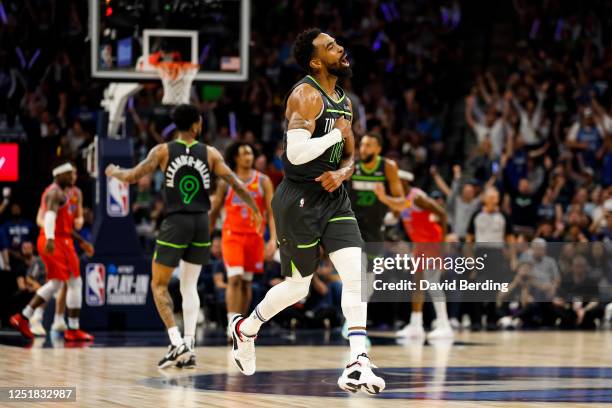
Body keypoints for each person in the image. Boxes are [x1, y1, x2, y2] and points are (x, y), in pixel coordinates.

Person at [228, 28, 385, 394]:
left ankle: (357, 360)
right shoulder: (305, 95)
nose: (340, 48)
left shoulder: (343, 100)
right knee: (297, 288)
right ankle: (246, 328)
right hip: (298, 199)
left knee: (355, 273)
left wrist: (344, 172)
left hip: (334, 197)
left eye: (337, 43)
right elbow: (294, 154)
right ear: (316, 61)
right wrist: (335, 135)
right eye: (331, 47)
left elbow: (351, 152)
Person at [106, 104, 263, 369]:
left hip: (176, 222)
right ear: (195, 125)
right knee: (188, 286)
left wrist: (113, 171)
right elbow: (236, 182)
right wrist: (254, 207)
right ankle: (189, 347)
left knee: (158, 285)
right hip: (201, 223)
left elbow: (133, 176)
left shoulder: (163, 150)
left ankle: (176, 340)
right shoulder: (210, 153)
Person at [9, 162, 94, 342]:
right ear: (60, 175)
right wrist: (49, 238)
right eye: (70, 174)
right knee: (73, 282)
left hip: (61, 239)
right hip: (55, 241)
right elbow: (49, 217)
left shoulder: (64, 193)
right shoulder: (54, 192)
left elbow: (65, 226)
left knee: (59, 283)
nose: (73, 177)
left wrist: (82, 241)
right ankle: (70, 327)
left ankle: (24, 317)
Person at [209, 141, 276, 337]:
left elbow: (271, 212)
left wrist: (272, 239)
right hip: (232, 236)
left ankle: (241, 325)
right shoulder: (226, 182)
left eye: (250, 153)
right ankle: (232, 323)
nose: (249, 157)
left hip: (254, 237)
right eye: (244, 153)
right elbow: (214, 212)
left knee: (247, 282)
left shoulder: (263, 181)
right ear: (236, 157)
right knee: (235, 278)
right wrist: (208, 233)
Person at [374, 173, 452, 340]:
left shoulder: (417, 197)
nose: (393, 184)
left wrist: (444, 245)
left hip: (432, 242)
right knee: (417, 284)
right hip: (419, 244)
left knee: (432, 283)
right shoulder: (401, 200)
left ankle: (444, 324)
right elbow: (392, 218)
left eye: (395, 181)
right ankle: (416, 325)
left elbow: (443, 214)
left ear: (403, 181)